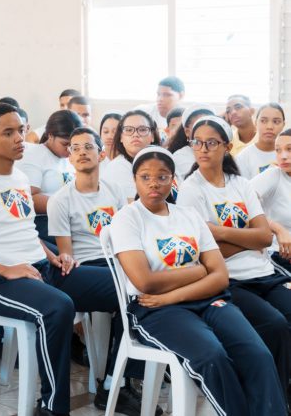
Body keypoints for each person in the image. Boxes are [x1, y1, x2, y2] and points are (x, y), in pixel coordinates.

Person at [0, 103, 108, 416]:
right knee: (58, 307)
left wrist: (53, 255)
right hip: (1, 283)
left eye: (20, 129)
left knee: (123, 285)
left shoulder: (17, 176)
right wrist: (6, 269)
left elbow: (25, 229)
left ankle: (120, 382)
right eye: (8, 132)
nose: (20, 138)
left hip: (41, 269)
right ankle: (51, 406)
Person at [109, 145, 286, 416]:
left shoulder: (188, 216)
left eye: (162, 176)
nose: (154, 183)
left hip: (203, 300)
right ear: (135, 180)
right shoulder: (127, 219)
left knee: (257, 355)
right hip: (156, 310)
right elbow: (145, 282)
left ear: (173, 180)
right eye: (145, 177)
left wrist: (173, 292)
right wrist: (197, 271)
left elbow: (219, 276)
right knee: (212, 357)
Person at [177, 116, 291, 404]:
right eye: (197, 142)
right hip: (230, 281)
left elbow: (265, 237)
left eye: (211, 143)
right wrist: (246, 236)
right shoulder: (191, 190)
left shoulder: (239, 184)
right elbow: (204, 253)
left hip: (264, 273)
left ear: (227, 147)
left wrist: (217, 232)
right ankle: (272, 400)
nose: (202, 148)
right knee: (275, 324)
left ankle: (280, 392)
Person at [46, 126, 149, 413]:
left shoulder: (115, 191)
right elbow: (66, 254)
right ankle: (116, 384)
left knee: (141, 292)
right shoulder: (61, 199)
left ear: (101, 154)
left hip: (118, 263)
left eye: (88, 147)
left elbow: (126, 237)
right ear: (69, 157)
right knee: (136, 291)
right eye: (75, 148)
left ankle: (118, 380)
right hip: (83, 268)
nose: (81, 152)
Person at [17, 110, 81, 243]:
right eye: (65, 144)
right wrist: (69, 206)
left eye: (74, 145)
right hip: (43, 221)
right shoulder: (34, 154)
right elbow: (28, 199)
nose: (70, 150)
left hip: (69, 218)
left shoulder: (69, 159)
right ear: (50, 135)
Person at [250, 129, 291, 272]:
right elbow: (242, 203)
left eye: (289, 149)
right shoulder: (273, 175)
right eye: (278, 150)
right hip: (277, 255)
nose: (283, 156)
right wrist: (278, 229)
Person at [102, 110, 161, 202]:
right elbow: (137, 206)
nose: (135, 134)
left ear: (152, 136)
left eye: (142, 129)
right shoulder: (118, 167)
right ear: (121, 137)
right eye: (129, 130)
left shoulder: (163, 162)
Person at [236, 103, 284, 178]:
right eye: (263, 121)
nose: (269, 127)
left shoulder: (287, 155)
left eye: (276, 122)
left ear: (283, 125)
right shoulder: (243, 157)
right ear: (256, 123)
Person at [167, 105, 214, 179]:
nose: (206, 129)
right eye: (199, 125)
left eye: (211, 125)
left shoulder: (220, 149)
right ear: (187, 132)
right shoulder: (181, 156)